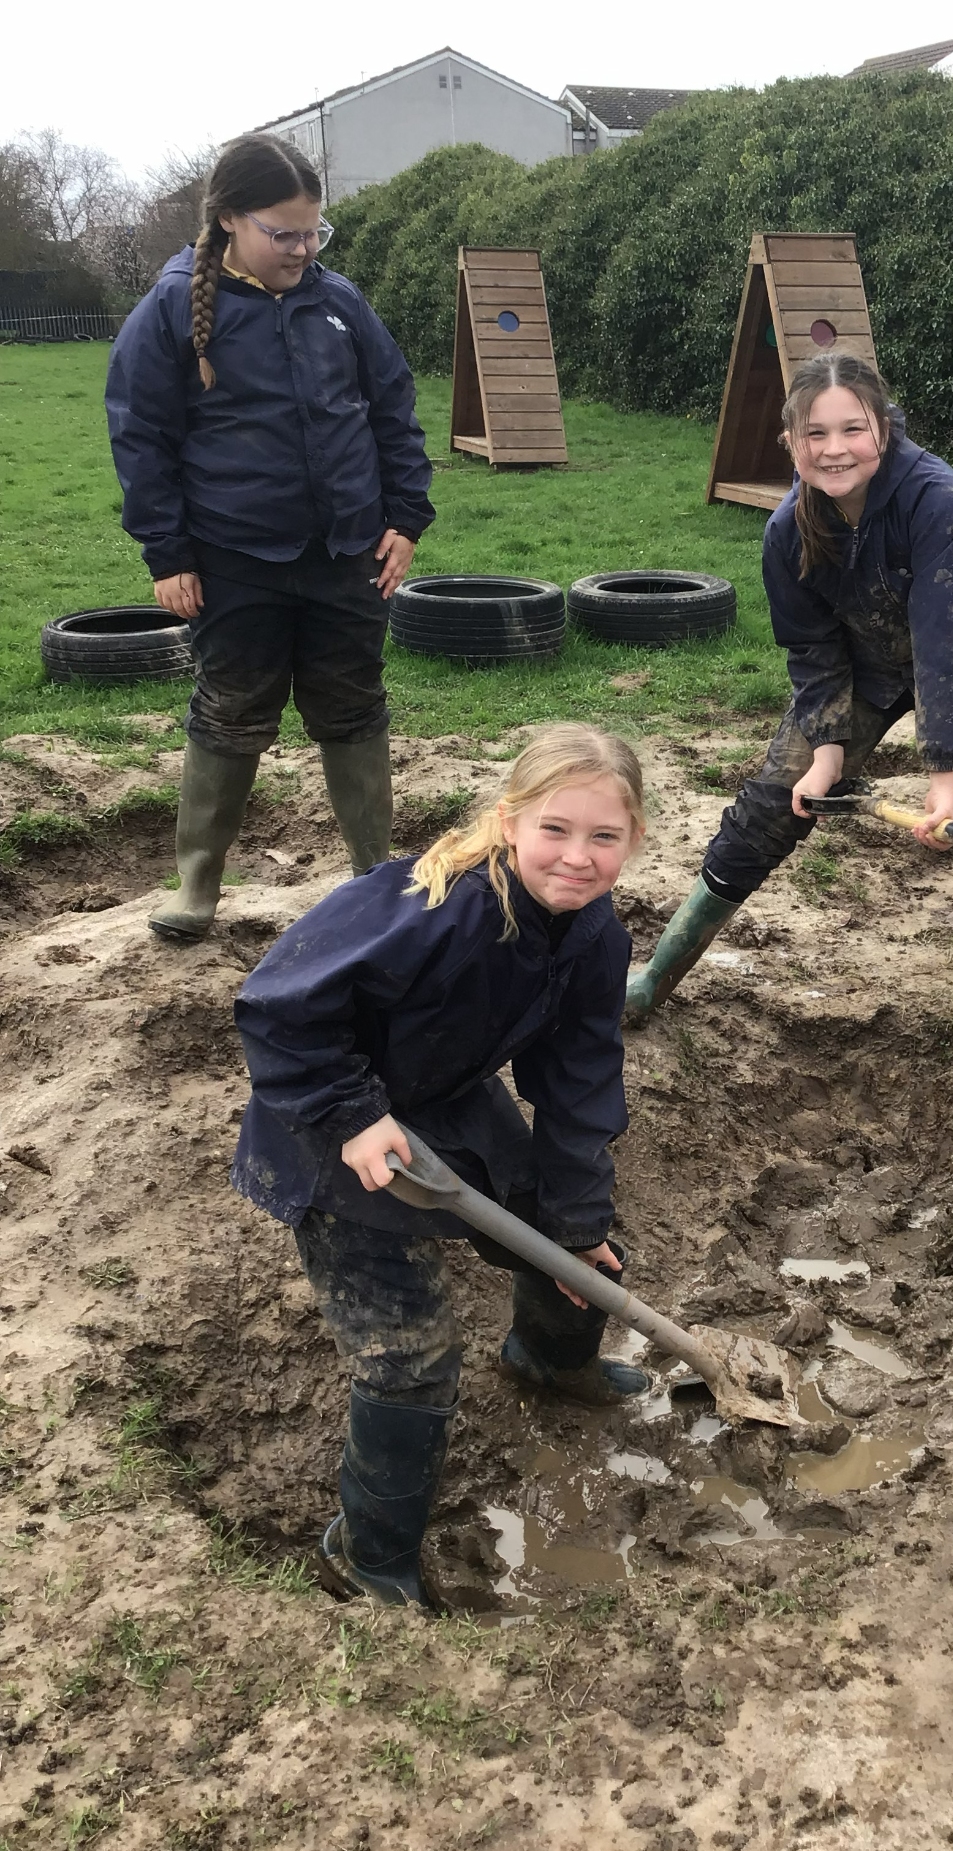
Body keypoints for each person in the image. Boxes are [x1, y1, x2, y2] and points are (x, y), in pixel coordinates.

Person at [625, 351, 953, 1079]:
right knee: (768, 811)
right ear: (790, 441)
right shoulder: (786, 531)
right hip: (863, 671)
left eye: (852, 429)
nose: (834, 449)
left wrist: (943, 780)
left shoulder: (938, 498)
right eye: (815, 434)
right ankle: (656, 976)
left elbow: (942, 642)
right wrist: (827, 754)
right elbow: (813, 649)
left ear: (883, 426)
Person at [230, 724, 649, 1609]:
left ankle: (550, 1361)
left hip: (445, 1098)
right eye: (555, 830)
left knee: (571, 1247)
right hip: (329, 1123)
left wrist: (578, 1225)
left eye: (603, 837)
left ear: (634, 840)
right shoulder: (434, 908)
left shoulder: (591, 933)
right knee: (411, 1357)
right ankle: (368, 1555)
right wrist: (353, 1116)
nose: (578, 857)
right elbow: (279, 1006)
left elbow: (578, 1082)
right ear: (510, 821)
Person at [105, 132, 435, 942]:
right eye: (282, 233)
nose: (301, 249)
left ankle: (373, 878)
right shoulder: (171, 310)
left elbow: (393, 409)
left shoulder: (340, 303)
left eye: (313, 232)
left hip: (348, 556)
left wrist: (405, 520)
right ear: (229, 219)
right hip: (233, 562)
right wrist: (168, 554)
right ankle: (196, 886)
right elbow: (141, 439)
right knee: (231, 711)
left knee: (353, 707)